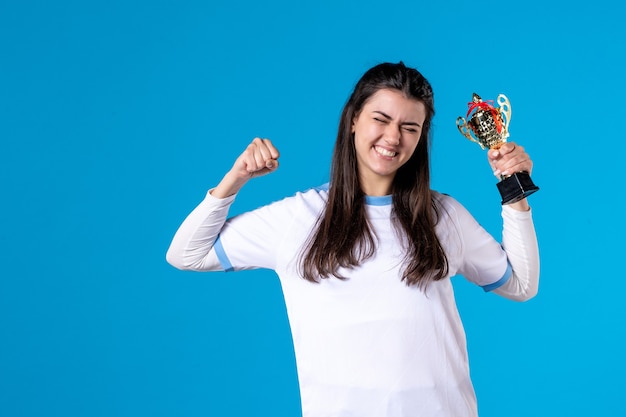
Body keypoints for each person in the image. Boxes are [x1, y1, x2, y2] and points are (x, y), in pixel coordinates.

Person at [166, 62, 539, 417]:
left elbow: (521, 284)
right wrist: (236, 178)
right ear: (353, 120)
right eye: (381, 119)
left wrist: (514, 189)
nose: (393, 137)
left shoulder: (443, 215)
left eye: (410, 127)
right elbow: (186, 253)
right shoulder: (299, 217)